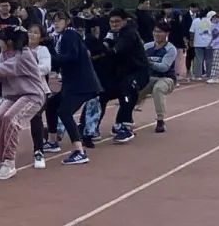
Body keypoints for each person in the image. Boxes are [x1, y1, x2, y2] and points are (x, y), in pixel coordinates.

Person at [0, 28, 47, 181]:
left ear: (9, 41)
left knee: (10, 120)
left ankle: (9, 162)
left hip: (32, 95)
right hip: (13, 95)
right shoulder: (2, 55)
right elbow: (0, 75)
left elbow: (10, 66)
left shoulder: (24, 54)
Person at [41, 10, 101, 166]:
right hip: (72, 84)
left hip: (81, 84)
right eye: (54, 20)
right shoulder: (63, 37)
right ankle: (52, 141)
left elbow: (70, 57)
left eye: (60, 20)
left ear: (67, 21)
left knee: (64, 112)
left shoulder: (70, 35)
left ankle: (79, 151)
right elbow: (60, 60)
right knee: (52, 104)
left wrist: (50, 53)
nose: (56, 23)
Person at [97, 9, 149, 144]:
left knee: (127, 89)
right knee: (102, 92)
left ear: (125, 21)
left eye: (117, 21)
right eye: (112, 21)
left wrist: (107, 51)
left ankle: (125, 126)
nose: (114, 24)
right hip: (122, 73)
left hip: (139, 72)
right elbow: (105, 46)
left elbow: (117, 49)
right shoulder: (111, 33)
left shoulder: (130, 33)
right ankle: (91, 126)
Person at [141, 21, 178, 133]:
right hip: (149, 78)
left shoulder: (171, 49)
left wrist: (149, 63)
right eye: (155, 31)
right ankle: (125, 119)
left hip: (167, 78)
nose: (157, 34)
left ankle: (160, 120)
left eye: (160, 32)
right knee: (132, 90)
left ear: (167, 34)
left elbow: (164, 67)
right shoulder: (146, 46)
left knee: (158, 89)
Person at [26, 23, 54, 170]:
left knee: (35, 116)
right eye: (29, 31)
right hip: (22, 91)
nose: (31, 35)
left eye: (35, 33)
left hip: (40, 91)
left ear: (41, 37)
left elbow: (46, 67)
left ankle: (39, 152)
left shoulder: (42, 50)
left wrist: (27, 69)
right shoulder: (21, 49)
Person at [189, 7, 212, 81]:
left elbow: (191, 32)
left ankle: (198, 75)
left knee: (198, 59)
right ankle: (209, 74)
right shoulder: (210, 21)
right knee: (209, 59)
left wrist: (191, 41)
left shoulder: (196, 21)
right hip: (209, 42)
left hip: (198, 42)